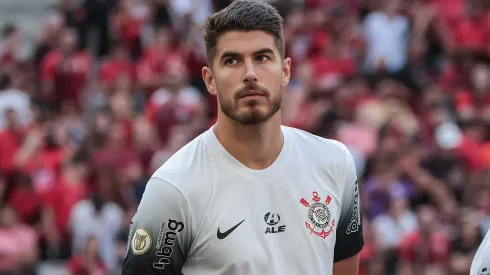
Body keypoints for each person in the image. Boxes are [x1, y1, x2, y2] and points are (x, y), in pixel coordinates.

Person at [122, 1, 363, 274]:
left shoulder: (335, 163)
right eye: (232, 61)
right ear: (210, 79)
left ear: (285, 71)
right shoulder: (173, 189)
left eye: (262, 58)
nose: (249, 74)